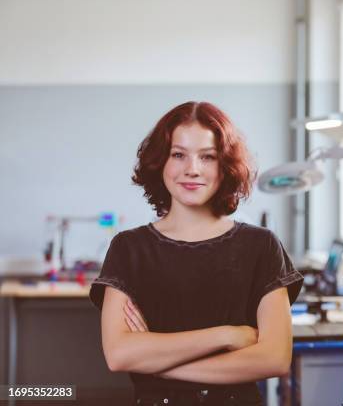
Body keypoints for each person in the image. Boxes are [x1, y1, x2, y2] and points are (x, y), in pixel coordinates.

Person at [89, 101, 303, 406]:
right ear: (160, 162)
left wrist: (158, 363)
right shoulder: (128, 248)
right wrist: (227, 335)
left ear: (225, 165)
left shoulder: (262, 246)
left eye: (208, 157)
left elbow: (273, 358)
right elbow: (119, 355)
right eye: (178, 155)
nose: (192, 169)